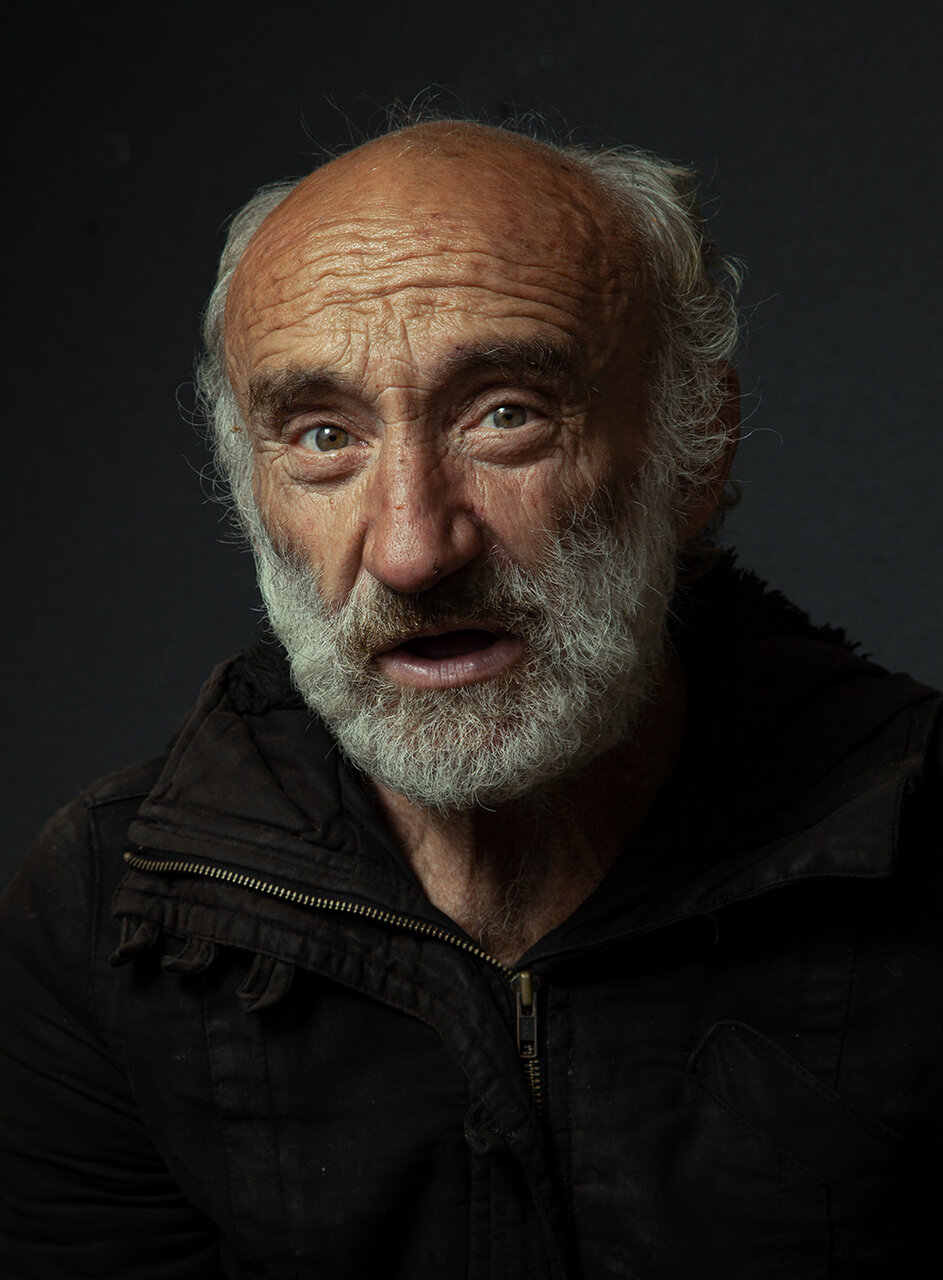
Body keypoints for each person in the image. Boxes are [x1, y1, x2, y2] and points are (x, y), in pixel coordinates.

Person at [1, 119, 940, 1279]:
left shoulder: (922, 840)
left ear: (696, 446)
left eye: (505, 413)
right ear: (250, 488)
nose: (412, 548)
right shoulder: (110, 913)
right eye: (324, 436)